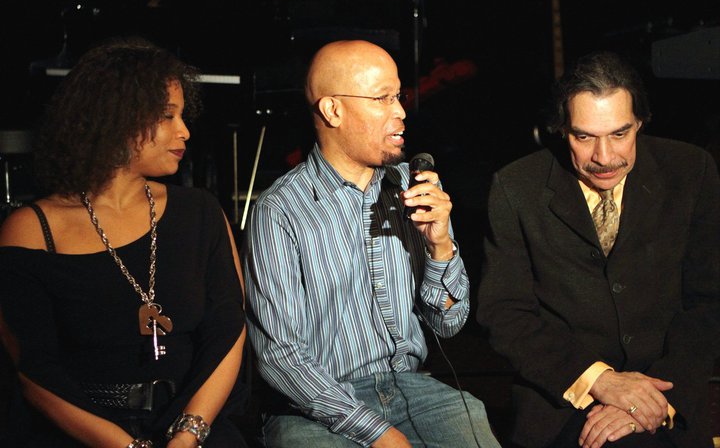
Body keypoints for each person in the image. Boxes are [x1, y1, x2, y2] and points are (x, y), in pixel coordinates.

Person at [243, 39, 500, 447]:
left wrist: (441, 247)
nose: (400, 112)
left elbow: (449, 324)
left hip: (412, 389)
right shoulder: (280, 210)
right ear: (333, 110)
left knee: (473, 424)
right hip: (315, 405)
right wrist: (376, 431)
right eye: (382, 98)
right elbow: (280, 356)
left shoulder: (413, 188)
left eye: (399, 96)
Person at [0, 37, 247, 447]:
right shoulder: (32, 229)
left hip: (194, 425)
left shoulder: (199, 212)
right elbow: (34, 371)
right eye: (167, 116)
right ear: (116, 118)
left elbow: (228, 330)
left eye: (182, 115)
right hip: (85, 434)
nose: (184, 130)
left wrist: (190, 432)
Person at [476, 51, 720, 448]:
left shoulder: (692, 171)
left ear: (640, 122)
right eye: (584, 137)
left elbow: (709, 303)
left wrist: (649, 401)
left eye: (620, 135)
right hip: (563, 407)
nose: (604, 158)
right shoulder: (516, 187)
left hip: (666, 396)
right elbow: (504, 313)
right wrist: (600, 380)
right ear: (561, 130)